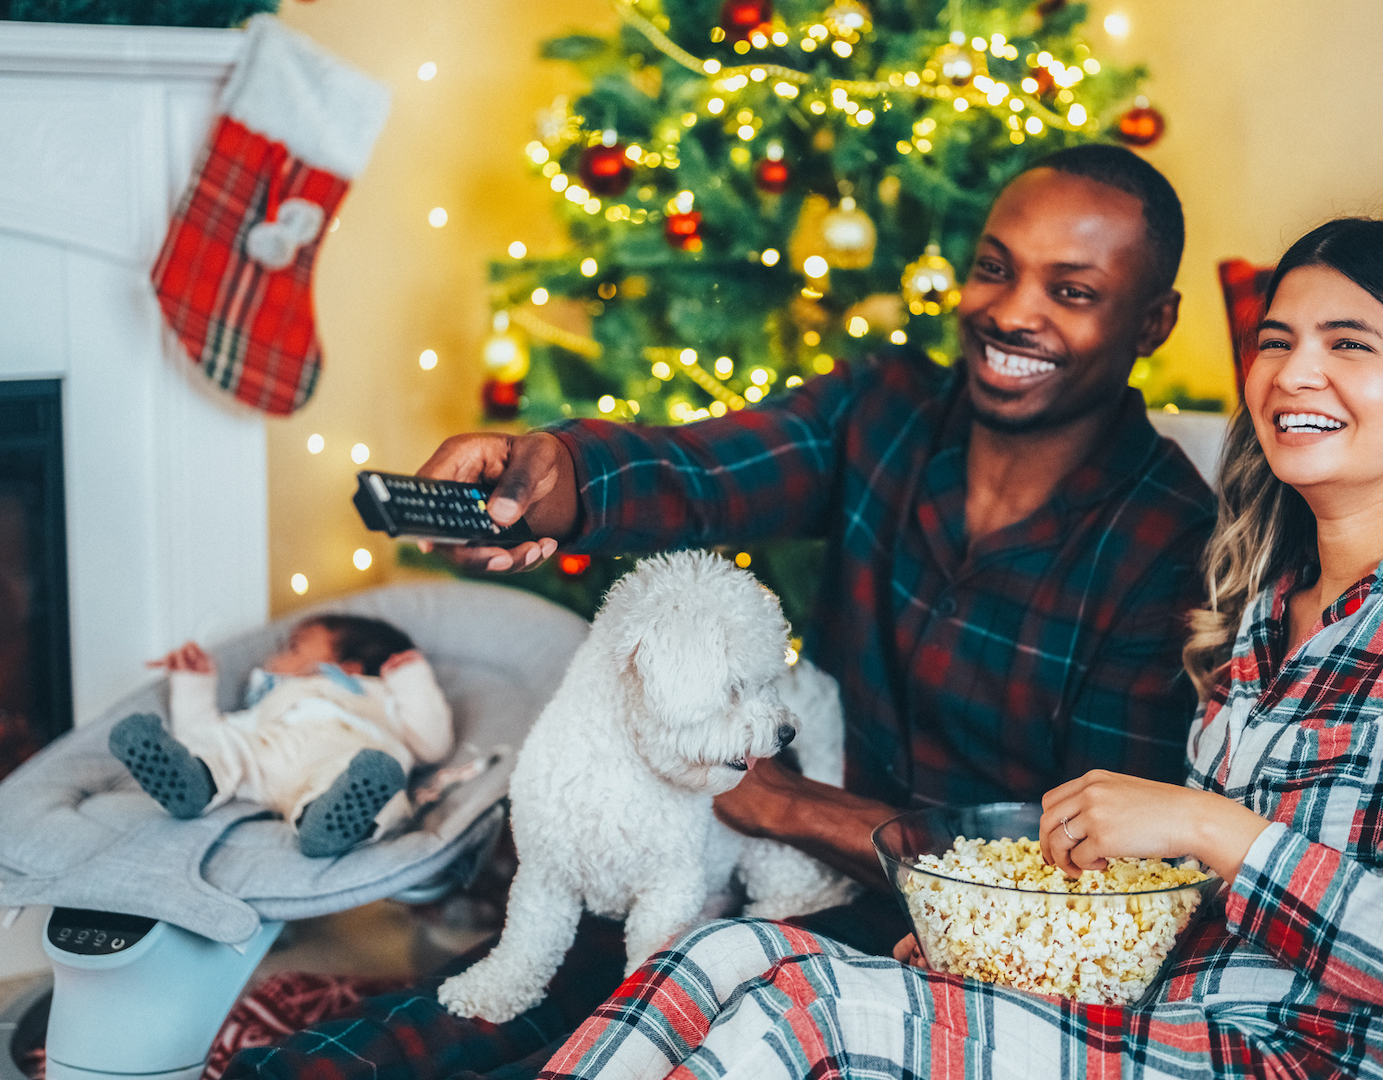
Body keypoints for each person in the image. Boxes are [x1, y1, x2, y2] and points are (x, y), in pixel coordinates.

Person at [220, 145, 1216, 1080]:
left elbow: (1089, 874)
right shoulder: (888, 409)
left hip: (925, 952)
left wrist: (791, 805)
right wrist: (550, 474)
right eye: (995, 269)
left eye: (1072, 292)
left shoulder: (1168, 541)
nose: (1011, 313)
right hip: (727, 852)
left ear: (1151, 323)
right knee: (427, 1031)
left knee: (604, 1051)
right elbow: (699, 472)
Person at [536, 218, 1383, 1080]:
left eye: (1350, 345)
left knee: (805, 1020)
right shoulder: (1259, 609)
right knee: (719, 958)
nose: (1294, 374)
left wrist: (1213, 827)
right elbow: (1208, 926)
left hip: (1334, 1057)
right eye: (1278, 340)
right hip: (1179, 1016)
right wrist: (1013, 955)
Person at [110, 614, 453, 857]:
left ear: (350, 667)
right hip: (270, 746)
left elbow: (432, 744)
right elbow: (206, 733)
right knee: (227, 747)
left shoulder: (378, 695)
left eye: (293, 647)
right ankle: (193, 784)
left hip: (349, 758)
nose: (274, 657)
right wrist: (193, 683)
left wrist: (411, 676)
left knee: (379, 782)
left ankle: (324, 822)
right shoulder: (273, 698)